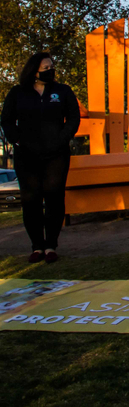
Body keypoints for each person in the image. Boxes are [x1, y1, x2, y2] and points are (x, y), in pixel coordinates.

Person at [0, 52, 80, 264]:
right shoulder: (18, 93)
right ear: (34, 70)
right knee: (31, 200)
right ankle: (37, 246)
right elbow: (6, 121)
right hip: (27, 156)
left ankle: (51, 245)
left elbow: (73, 117)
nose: (50, 70)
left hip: (56, 155)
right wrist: (18, 141)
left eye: (51, 66)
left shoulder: (62, 91)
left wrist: (62, 138)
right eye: (45, 67)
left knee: (54, 198)